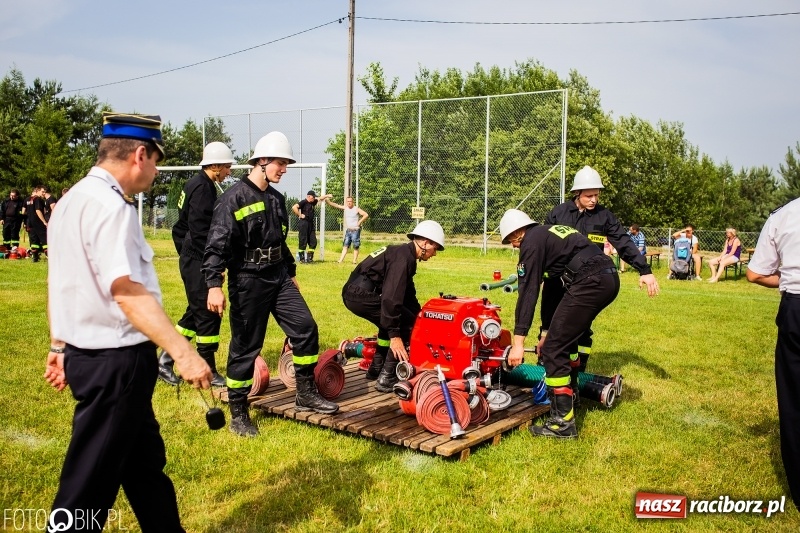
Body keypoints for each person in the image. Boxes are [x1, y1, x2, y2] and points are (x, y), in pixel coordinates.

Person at [44, 112, 212, 532]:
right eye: (156, 161)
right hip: (115, 363)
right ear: (140, 154)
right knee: (85, 489)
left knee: (144, 469)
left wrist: (59, 346)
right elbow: (126, 291)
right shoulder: (111, 207)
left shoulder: (71, 201)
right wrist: (183, 352)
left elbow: (62, 282)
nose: (156, 172)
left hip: (92, 356)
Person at [204, 131, 339, 437]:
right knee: (246, 346)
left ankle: (305, 393)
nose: (284, 169)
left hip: (278, 276)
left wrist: (290, 273)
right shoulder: (232, 199)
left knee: (305, 328)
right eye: (281, 162)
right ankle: (238, 411)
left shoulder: (277, 200)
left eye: (286, 163)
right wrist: (214, 284)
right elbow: (216, 247)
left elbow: (279, 241)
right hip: (247, 279)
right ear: (262, 161)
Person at [500, 209, 620, 439]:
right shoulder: (547, 236)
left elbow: (528, 294)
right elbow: (552, 290)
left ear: (518, 232)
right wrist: (545, 332)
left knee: (554, 350)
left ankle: (562, 423)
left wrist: (517, 343)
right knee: (563, 341)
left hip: (590, 281)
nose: (514, 247)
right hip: (607, 277)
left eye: (511, 241)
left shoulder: (531, 243)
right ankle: (572, 396)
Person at [542, 166, 658, 392]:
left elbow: (623, 243)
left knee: (581, 328)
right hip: (557, 279)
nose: (594, 199)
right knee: (549, 323)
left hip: (585, 282)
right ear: (577, 193)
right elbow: (544, 243)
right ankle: (544, 368)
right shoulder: (558, 213)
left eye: (597, 195)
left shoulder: (605, 217)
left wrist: (644, 269)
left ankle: (578, 369)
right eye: (589, 195)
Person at [158, 142, 234, 387]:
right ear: (214, 165)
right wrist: (213, 265)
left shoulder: (197, 184)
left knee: (194, 312)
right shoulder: (203, 188)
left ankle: (165, 361)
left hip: (193, 257)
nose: (229, 172)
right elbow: (201, 232)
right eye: (226, 167)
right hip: (198, 259)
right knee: (207, 313)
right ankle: (208, 368)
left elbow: (181, 227)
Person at [342, 220, 444, 392]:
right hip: (360, 294)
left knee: (394, 322)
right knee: (402, 326)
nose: (435, 254)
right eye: (436, 249)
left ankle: (377, 368)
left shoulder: (404, 254)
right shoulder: (404, 259)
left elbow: (408, 295)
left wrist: (421, 317)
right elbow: (391, 298)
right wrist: (396, 336)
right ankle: (387, 377)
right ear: (425, 243)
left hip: (354, 292)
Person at [746, 198, 800, 511]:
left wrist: (788, 278)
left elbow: (754, 274)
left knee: (794, 401)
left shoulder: (785, 214)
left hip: (796, 307)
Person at [324, 195, 369, 264]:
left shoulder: (356, 209)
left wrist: (359, 222)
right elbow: (336, 205)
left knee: (356, 246)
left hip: (355, 230)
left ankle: (354, 260)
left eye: (350, 201)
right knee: (345, 246)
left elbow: (366, 214)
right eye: (348, 201)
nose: (349, 203)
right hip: (348, 230)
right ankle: (340, 260)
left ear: (352, 201)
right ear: (346, 202)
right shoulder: (345, 208)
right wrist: (328, 201)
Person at [292, 189, 331, 263]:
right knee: (303, 240)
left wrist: (327, 196)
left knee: (313, 241)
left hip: (310, 223)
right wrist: (300, 215)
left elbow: (320, 198)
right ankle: (302, 259)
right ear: (308, 196)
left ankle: (310, 258)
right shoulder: (303, 202)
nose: (314, 198)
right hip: (304, 223)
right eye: (313, 197)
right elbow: (294, 207)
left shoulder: (313, 202)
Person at [28, 185, 48, 262]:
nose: (44, 193)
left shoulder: (29, 199)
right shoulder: (38, 199)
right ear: (37, 191)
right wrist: (44, 221)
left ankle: (35, 258)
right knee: (45, 240)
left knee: (34, 241)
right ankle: (49, 257)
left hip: (31, 223)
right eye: (42, 191)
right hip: (38, 222)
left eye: (44, 192)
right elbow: (38, 210)